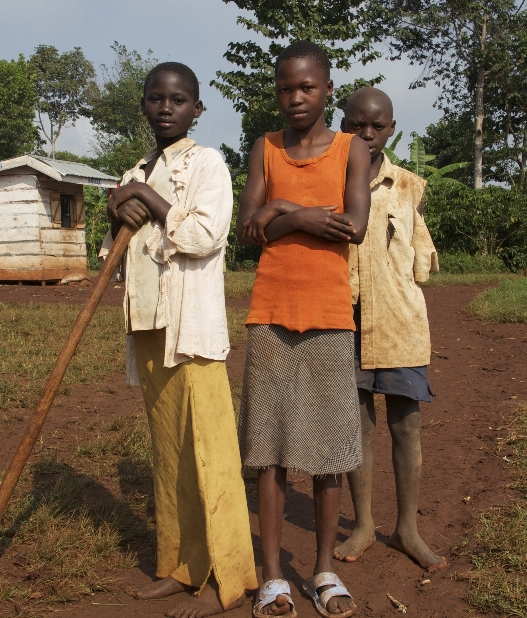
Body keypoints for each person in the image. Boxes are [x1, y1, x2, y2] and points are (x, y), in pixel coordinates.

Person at [100, 62, 257, 618]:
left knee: (210, 455)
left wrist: (146, 197)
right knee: (168, 458)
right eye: (155, 98)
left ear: (197, 109)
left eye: (178, 100)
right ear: (143, 104)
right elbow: (117, 249)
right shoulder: (134, 169)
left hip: (191, 330)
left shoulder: (207, 163)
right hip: (147, 328)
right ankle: (181, 565)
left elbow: (203, 234)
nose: (166, 108)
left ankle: (230, 579)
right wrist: (118, 203)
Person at [236, 41, 370, 618]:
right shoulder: (263, 148)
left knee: (328, 450)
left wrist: (281, 215)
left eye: (307, 88)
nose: (295, 98)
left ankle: (323, 569)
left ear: (327, 90)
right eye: (285, 89)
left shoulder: (351, 150)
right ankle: (272, 577)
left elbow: (354, 227)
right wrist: (298, 211)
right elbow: (246, 231)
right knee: (267, 451)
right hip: (269, 313)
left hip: (329, 316)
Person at [333, 88, 446, 573]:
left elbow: (419, 260)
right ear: (343, 124)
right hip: (346, 319)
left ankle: (406, 528)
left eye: (376, 126)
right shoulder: (329, 181)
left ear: (391, 129)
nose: (366, 134)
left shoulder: (407, 186)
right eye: (356, 124)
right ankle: (362, 523)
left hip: (401, 322)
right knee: (357, 424)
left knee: (407, 424)